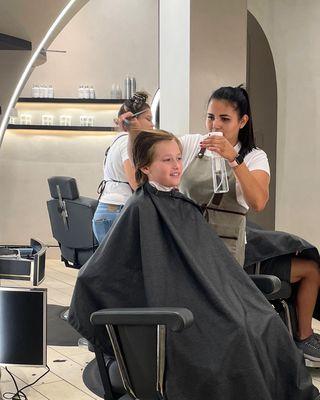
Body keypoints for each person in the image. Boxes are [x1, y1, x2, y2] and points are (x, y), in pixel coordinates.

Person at [69, 129, 319, 400]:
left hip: (206, 303)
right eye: (166, 160)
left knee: (267, 323)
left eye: (178, 158)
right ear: (145, 167)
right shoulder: (139, 209)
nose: (177, 165)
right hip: (181, 316)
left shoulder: (183, 206)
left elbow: (209, 265)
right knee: (236, 334)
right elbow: (94, 276)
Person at [122, 86, 320, 361]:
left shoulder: (254, 157)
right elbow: (148, 153)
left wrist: (233, 159)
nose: (215, 125)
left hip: (225, 254)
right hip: (185, 247)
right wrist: (132, 132)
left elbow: (258, 202)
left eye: (224, 119)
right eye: (210, 117)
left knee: (232, 322)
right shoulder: (191, 145)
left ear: (243, 122)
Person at [92, 92, 154, 244]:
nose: (152, 124)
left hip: (107, 212)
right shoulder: (127, 143)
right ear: (134, 119)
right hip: (116, 212)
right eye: (148, 119)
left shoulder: (117, 141)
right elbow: (135, 183)